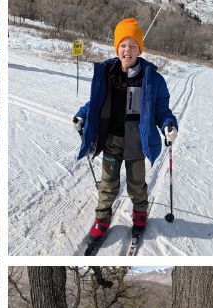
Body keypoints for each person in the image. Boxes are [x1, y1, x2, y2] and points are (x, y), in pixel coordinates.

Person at [73, 18, 178, 245]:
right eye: (123, 45)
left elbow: (161, 107)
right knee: (108, 183)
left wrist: (169, 124)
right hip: (111, 138)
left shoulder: (152, 78)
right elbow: (96, 101)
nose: (127, 50)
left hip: (137, 141)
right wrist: (82, 114)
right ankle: (102, 219)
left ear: (139, 49)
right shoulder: (108, 72)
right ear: (116, 48)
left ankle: (140, 214)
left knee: (136, 182)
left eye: (132, 45)